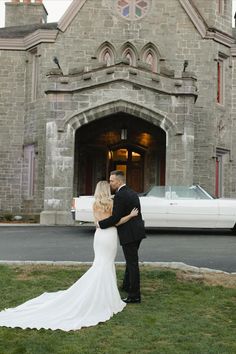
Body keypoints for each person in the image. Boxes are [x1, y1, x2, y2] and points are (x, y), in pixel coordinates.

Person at [0, 181, 138, 332]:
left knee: (100, 263)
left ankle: (105, 294)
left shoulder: (95, 204)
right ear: (107, 190)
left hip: (100, 237)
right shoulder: (112, 204)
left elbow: (97, 223)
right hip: (110, 235)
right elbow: (116, 221)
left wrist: (103, 223)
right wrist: (130, 216)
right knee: (106, 263)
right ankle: (105, 297)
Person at [98, 170, 146, 304]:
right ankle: (127, 285)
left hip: (129, 233)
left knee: (132, 263)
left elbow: (115, 218)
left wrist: (100, 224)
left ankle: (134, 295)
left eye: (112, 180)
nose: (110, 183)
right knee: (130, 261)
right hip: (138, 231)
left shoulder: (120, 195)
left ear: (119, 181)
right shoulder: (132, 192)